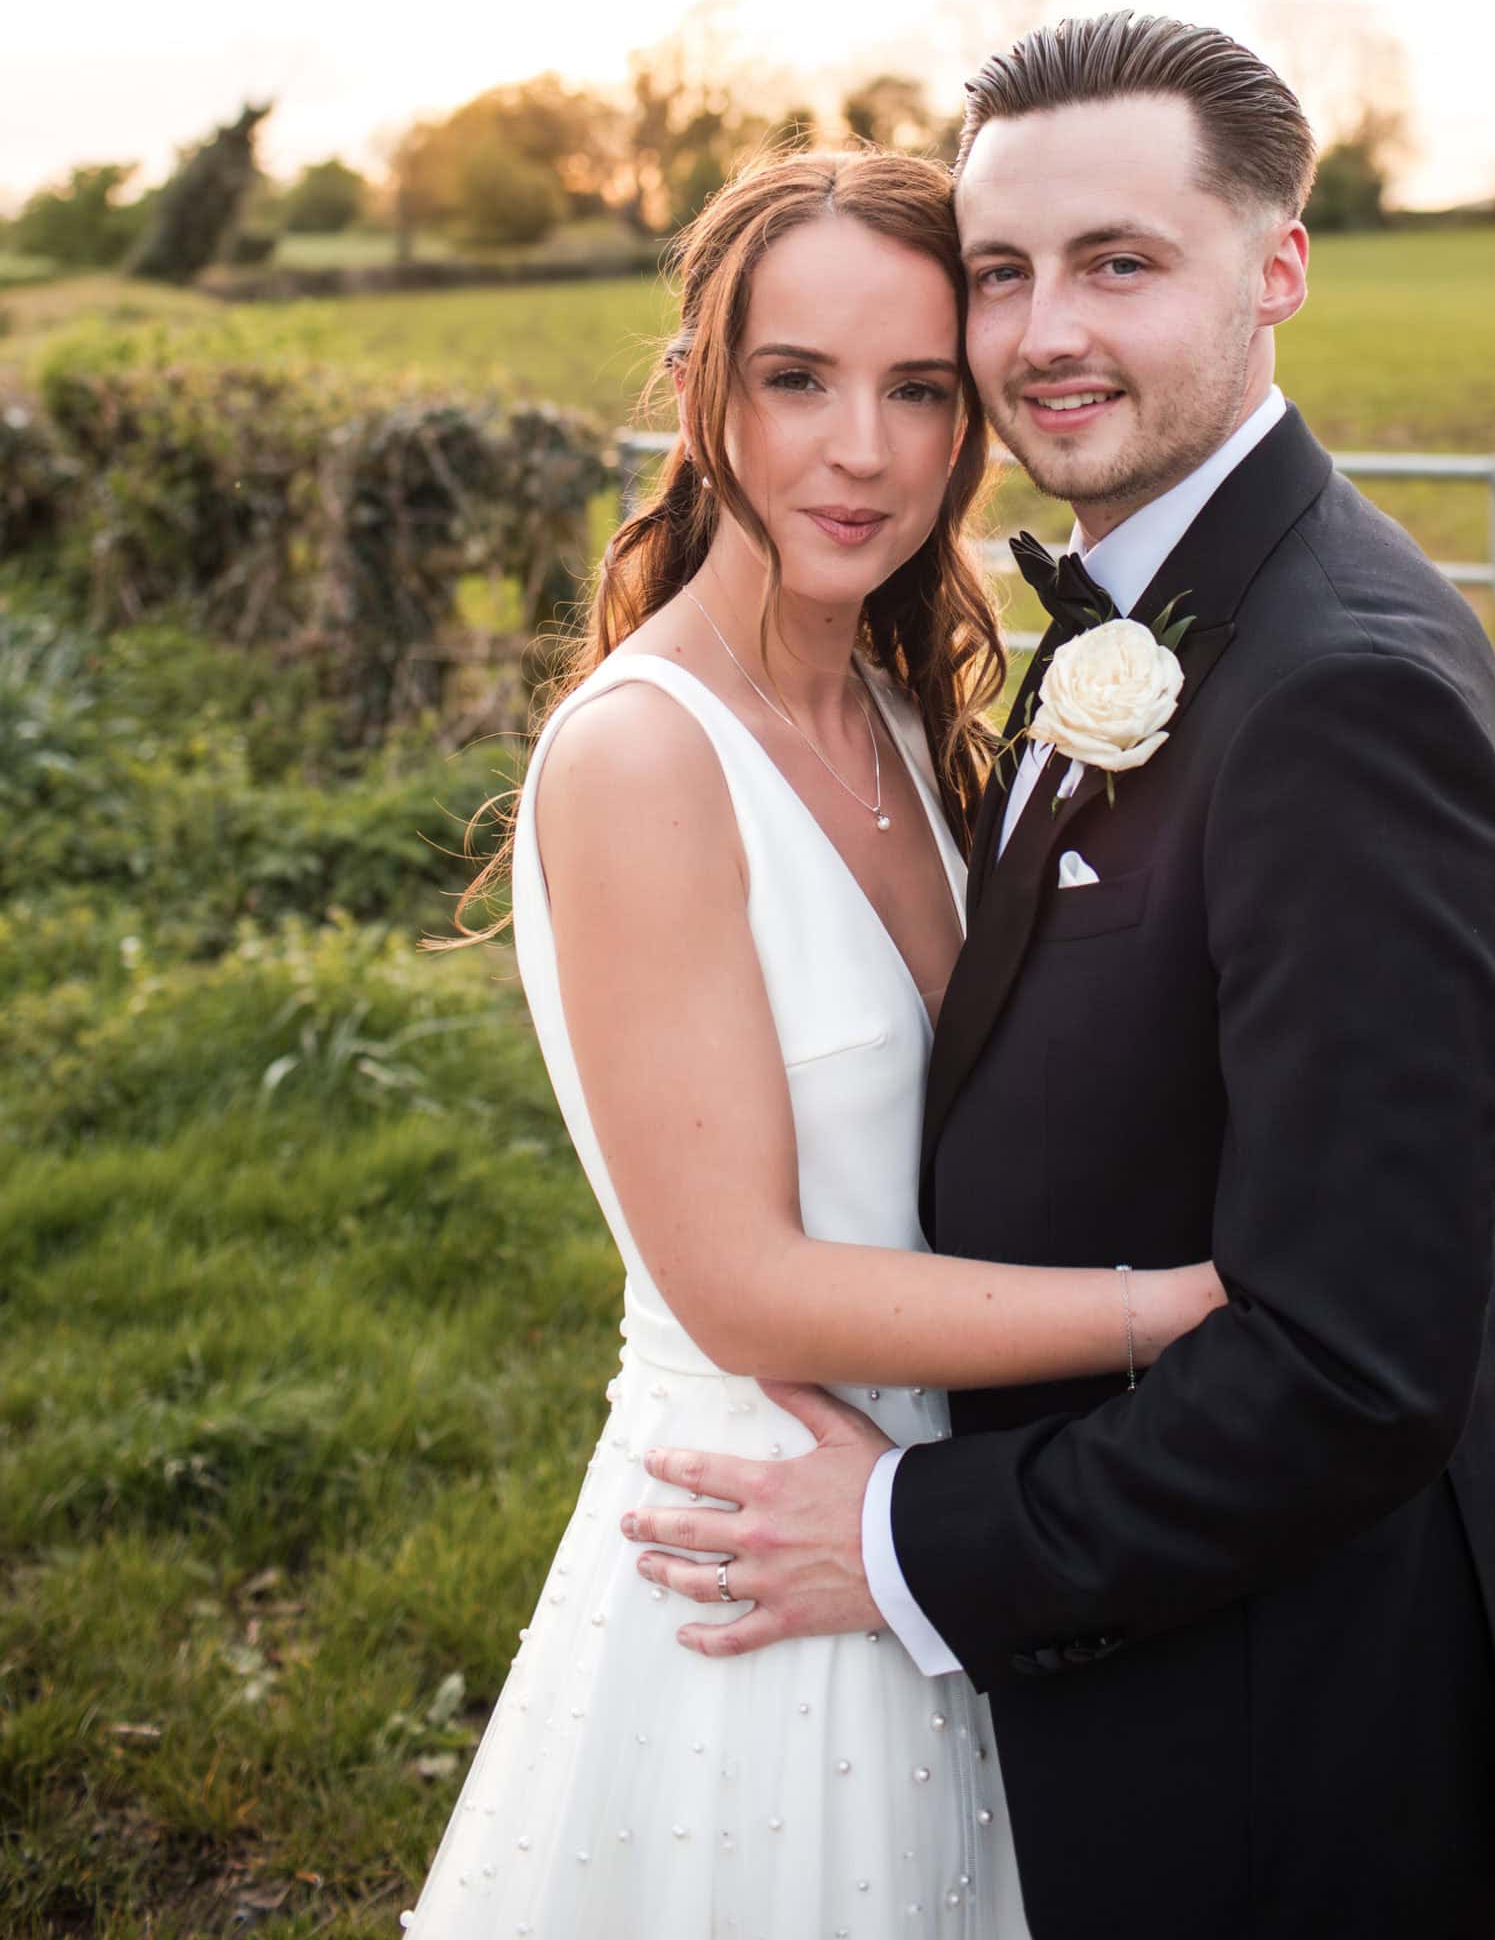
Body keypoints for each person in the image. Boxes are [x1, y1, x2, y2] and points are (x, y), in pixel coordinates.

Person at [626, 15, 1495, 1939]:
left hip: (1274, 1716)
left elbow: (1350, 1367)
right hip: (1132, 1656)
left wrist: (907, 1534)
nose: (1044, 331)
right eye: (1003, 273)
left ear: (1278, 268)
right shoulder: (1128, 608)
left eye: (1120, 263)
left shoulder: (1343, 691)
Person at [397, 148, 1226, 1939]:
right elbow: (745, 1289)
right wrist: (1169, 1309)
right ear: (705, 394)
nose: (864, 451)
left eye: (919, 389)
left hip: (940, 1531)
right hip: (753, 1549)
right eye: (799, 380)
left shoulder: (894, 702)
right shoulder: (646, 760)